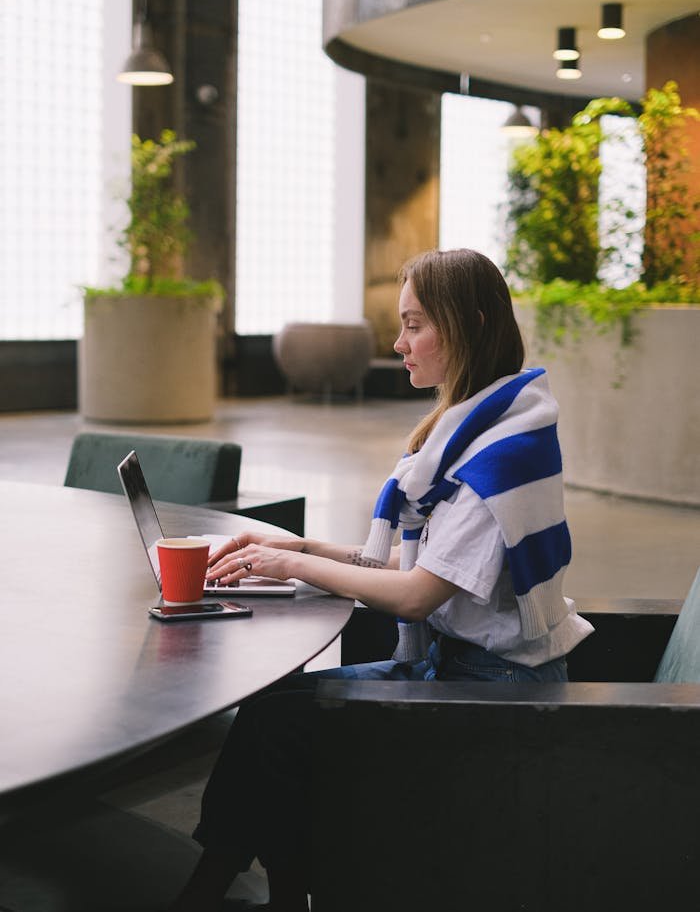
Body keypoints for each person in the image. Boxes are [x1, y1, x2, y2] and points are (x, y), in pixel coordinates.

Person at [168, 248, 593, 912]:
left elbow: (421, 593)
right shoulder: (493, 430)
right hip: (469, 672)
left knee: (279, 718)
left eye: (415, 324)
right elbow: (431, 568)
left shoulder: (498, 458)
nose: (399, 343)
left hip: (494, 694)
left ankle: (225, 886)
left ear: (470, 324)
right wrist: (300, 544)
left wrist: (294, 566)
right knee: (279, 716)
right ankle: (247, 887)